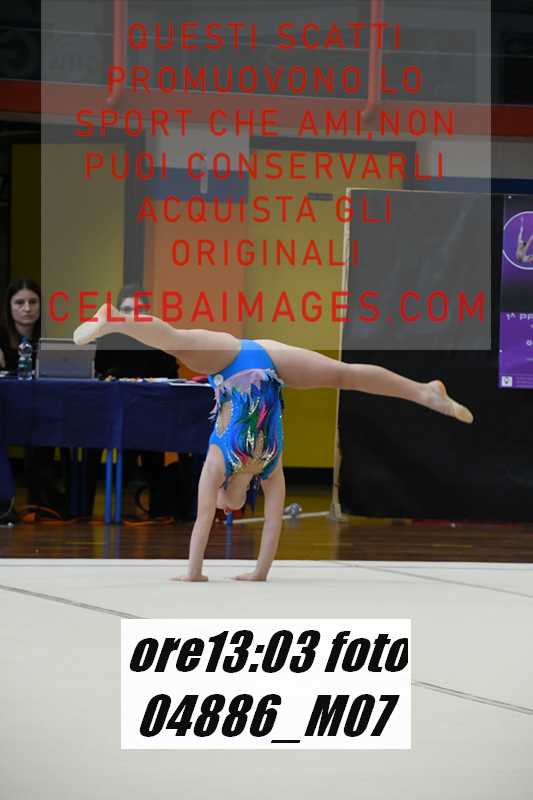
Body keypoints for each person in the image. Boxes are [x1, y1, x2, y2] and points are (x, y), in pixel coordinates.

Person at [73, 302, 474, 582]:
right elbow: (264, 525)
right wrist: (251, 572)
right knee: (344, 374)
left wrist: (199, 572)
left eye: (223, 507)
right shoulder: (268, 468)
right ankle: (424, 391)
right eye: (228, 508)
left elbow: (215, 520)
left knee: (178, 341)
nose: (224, 509)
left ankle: (117, 318)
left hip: (232, 359)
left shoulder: (225, 462)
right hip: (268, 360)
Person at [87, 285, 180, 518]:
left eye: (139, 310)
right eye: (127, 310)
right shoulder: (107, 339)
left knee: (152, 448)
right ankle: (88, 507)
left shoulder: (160, 339)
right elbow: (98, 373)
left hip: (151, 413)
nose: (132, 316)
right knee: (94, 443)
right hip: (113, 413)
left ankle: (159, 509)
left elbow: (171, 377)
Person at [0, 278, 63, 511]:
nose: (27, 308)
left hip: (42, 408)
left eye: (33, 302)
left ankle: (42, 497)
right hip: (8, 408)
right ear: (9, 306)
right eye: (19, 302)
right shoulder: (1, 335)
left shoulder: (51, 336)